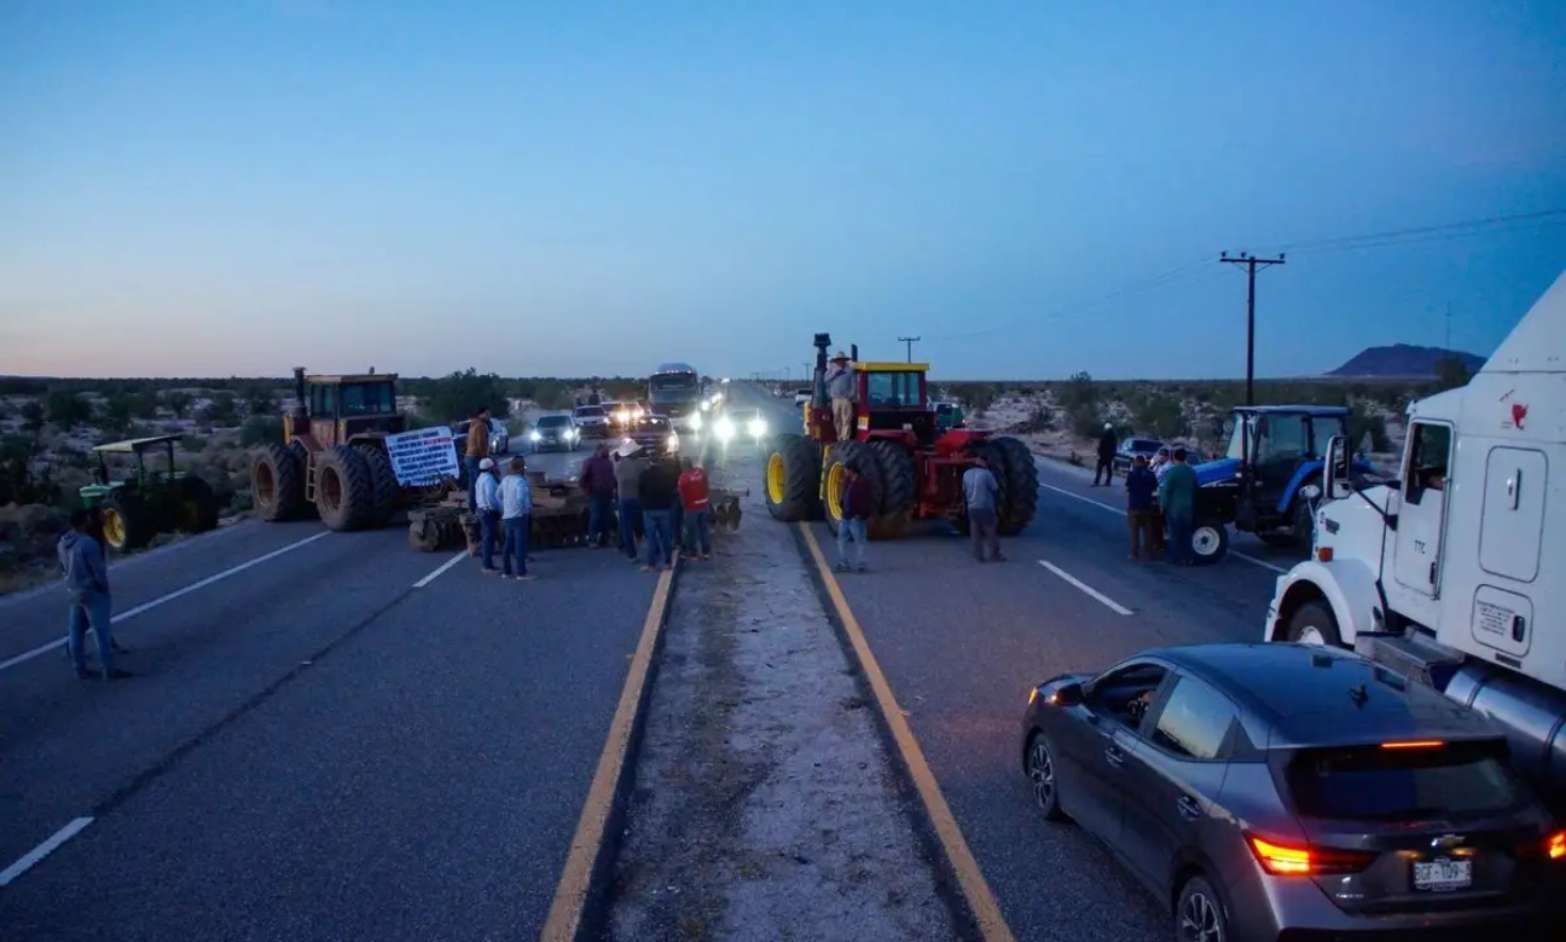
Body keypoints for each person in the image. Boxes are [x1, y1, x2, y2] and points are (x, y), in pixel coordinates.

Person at [59, 508, 128, 680]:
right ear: (85, 522)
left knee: (75, 631)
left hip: (73, 590)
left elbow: (62, 567)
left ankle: (79, 669)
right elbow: (98, 570)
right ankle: (108, 669)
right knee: (101, 631)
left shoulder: (62, 543)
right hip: (91, 591)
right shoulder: (88, 543)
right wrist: (103, 587)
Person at [1158, 447, 1198, 565]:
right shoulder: (1191, 471)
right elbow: (1195, 487)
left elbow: (1166, 490)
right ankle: (1188, 558)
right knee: (1187, 534)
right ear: (1185, 457)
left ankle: (1175, 558)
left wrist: (1162, 505)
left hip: (1174, 508)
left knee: (1174, 534)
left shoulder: (1173, 472)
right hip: (1188, 507)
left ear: (1174, 457)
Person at [639, 455, 679, 571]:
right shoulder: (667, 476)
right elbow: (673, 491)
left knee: (651, 539)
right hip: (665, 509)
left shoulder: (644, 475)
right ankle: (668, 562)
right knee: (666, 537)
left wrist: (644, 504)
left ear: (649, 462)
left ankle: (652, 564)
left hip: (649, 510)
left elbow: (640, 492)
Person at [497, 457, 534, 580]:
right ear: (521, 468)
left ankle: (506, 571)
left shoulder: (506, 479)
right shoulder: (520, 482)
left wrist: (505, 505)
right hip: (519, 516)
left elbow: (497, 495)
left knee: (508, 544)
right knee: (520, 545)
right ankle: (521, 573)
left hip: (507, 516)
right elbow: (521, 499)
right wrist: (525, 510)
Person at [962, 454, 1004, 562]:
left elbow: (964, 489)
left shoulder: (966, 474)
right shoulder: (986, 474)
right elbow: (995, 488)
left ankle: (978, 556)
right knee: (990, 533)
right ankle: (995, 555)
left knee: (975, 534)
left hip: (971, 507)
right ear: (984, 463)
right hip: (985, 507)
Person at [835, 464, 872, 572]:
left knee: (860, 541)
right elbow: (845, 495)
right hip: (846, 516)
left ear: (852, 471)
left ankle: (862, 565)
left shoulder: (863, 483)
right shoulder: (847, 481)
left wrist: (861, 514)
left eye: (846, 470)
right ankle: (843, 562)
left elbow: (866, 500)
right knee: (841, 540)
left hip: (857, 517)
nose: (845, 472)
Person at [613, 442, 647, 560]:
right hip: (637, 498)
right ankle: (651, 548)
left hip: (623, 499)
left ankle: (631, 553)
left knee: (626, 527)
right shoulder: (640, 464)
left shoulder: (618, 465)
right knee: (643, 524)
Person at [580, 444, 617, 548]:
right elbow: (583, 478)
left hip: (607, 492)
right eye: (606, 450)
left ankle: (605, 539)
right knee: (595, 516)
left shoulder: (608, 462)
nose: (608, 452)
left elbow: (612, 477)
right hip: (596, 492)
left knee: (607, 517)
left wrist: (614, 487)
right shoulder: (590, 462)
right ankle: (592, 540)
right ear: (599, 450)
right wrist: (587, 490)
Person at [1124, 455, 1160, 561]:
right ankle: (1149, 553)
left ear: (1136, 462)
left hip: (1134, 506)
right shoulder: (1151, 474)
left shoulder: (1132, 474)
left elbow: (1128, 487)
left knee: (1134, 532)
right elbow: (1155, 487)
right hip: (1146, 506)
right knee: (1148, 531)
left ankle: (1134, 553)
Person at [677, 457, 713, 561]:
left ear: (684, 466)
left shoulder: (683, 478)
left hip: (691, 508)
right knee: (704, 529)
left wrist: (684, 508)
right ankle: (706, 552)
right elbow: (707, 486)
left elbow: (681, 495)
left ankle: (693, 553)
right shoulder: (701, 472)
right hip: (703, 505)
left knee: (691, 531)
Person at [473, 456, 502, 573]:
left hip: (482, 509)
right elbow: (491, 498)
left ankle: (488, 563)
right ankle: (487, 565)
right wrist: (501, 508)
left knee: (487, 537)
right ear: (490, 468)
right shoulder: (489, 479)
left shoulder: (480, 478)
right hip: (488, 511)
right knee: (488, 538)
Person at [465, 405, 492, 510]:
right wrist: (485, 457)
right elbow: (480, 442)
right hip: (476, 457)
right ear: (481, 414)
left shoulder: (473, 424)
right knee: (480, 484)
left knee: (473, 484)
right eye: (487, 413)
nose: (489, 416)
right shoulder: (481, 425)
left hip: (469, 456)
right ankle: (481, 507)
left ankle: (472, 507)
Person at [825, 351, 855, 442]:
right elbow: (825, 380)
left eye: (842, 360)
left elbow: (854, 384)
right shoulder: (831, 370)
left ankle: (845, 438)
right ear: (836, 361)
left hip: (846, 399)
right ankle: (839, 437)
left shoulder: (849, 370)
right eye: (838, 360)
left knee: (846, 419)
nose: (840, 362)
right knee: (837, 419)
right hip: (835, 398)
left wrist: (851, 395)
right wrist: (835, 374)